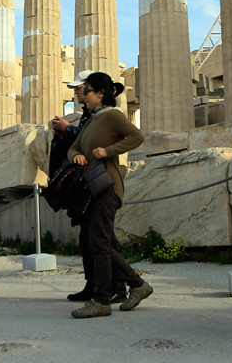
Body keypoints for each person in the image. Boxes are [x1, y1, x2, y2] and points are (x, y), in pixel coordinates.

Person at [66, 72, 149, 319]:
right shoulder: (93, 119)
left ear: (100, 94)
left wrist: (108, 150)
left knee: (100, 243)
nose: (82, 96)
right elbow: (73, 147)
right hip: (91, 187)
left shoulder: (112, 115)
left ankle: (103, 300)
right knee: (98, 242)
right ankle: (136, 285)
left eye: (87, 91)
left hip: (107, 186)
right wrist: (76, 156)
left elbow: (137, 136)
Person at [52, 71, 126, 304]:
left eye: (81, 88)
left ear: (96, 91)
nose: (78, 93)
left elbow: (132, 137)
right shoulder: (90, 115)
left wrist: (68, 128)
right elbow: (79, 145)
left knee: (103, 239)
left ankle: (120, 287)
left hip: (101, 181)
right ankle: (94, 285)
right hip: (85, 182)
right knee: (89, 238)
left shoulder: (107, 114)